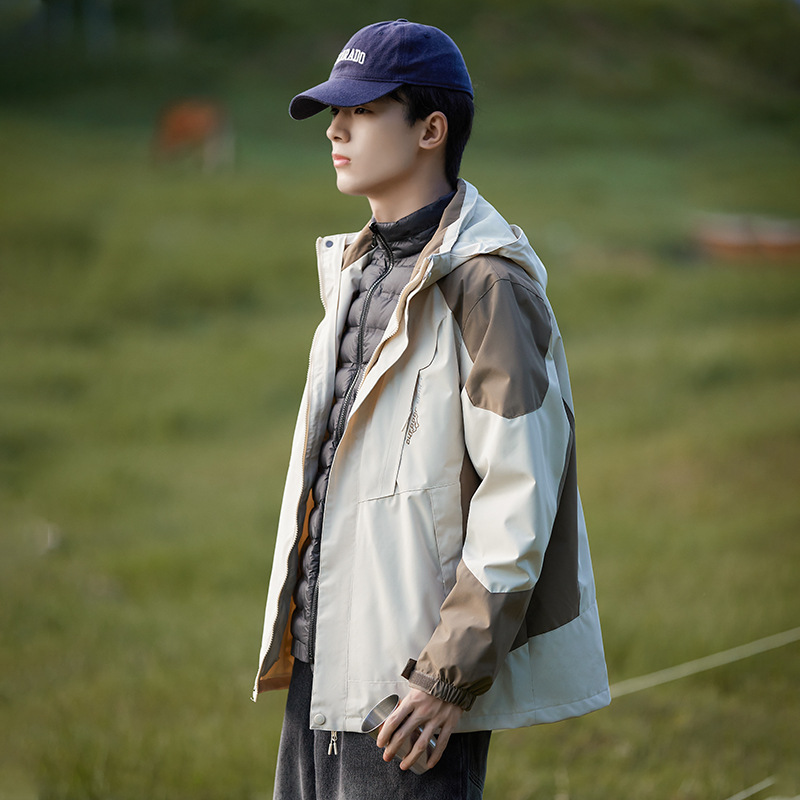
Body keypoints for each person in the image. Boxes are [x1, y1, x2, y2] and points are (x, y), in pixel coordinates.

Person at [253, 19, 610, 800]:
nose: (336, 130)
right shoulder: (355, 269)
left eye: (362, 110)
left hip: (412, 695)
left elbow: (520, 497)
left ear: (431, 130)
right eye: (334, 113)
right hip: (322, 668)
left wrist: (447, 676)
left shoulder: (488, 286)